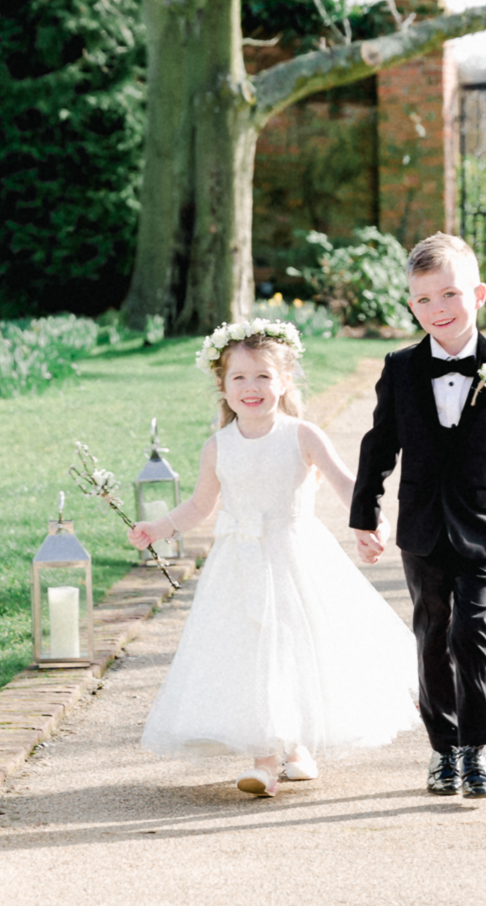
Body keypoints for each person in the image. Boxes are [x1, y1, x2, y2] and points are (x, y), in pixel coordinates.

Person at [128, 319, 418, 798]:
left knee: (297, 648)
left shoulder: (302, 434)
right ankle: (263, 760)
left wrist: (370, 522)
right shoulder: (217, 446)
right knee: (250, 653)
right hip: (239, 565)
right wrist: (159, 528)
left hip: (295, 555)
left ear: (284, 381)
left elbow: (348, 483)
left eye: (263, 375)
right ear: (222, 387)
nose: (251, 387)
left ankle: (300, 748)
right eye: (238, 378)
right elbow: (201, 505)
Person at [349, 233, 486, 799]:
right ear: (411, 305)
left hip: (483, 524)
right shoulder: (401, 367)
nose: (438, 310)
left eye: (450, 295)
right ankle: (443, 750)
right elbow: (379, 444)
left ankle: (476, 751)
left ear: (479, 294)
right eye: (424, 300)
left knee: (471, 631)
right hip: (420, 527)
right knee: (432, 633)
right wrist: (365, 513)